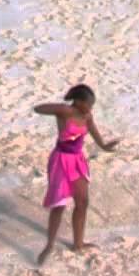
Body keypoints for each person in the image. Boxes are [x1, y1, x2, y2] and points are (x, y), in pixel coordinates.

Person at [33, 84, 119, 266]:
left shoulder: (87, 116)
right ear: (78, 102)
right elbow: (38, 109)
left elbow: (96, 134)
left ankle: (78, 243)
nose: (91, 108)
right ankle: (49, 245)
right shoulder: (65, 112)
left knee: (82, 202)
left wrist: (104, 146)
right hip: (61, 161)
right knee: (59, 205)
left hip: (77, 160)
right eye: (88, 104)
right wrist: (60, 107)